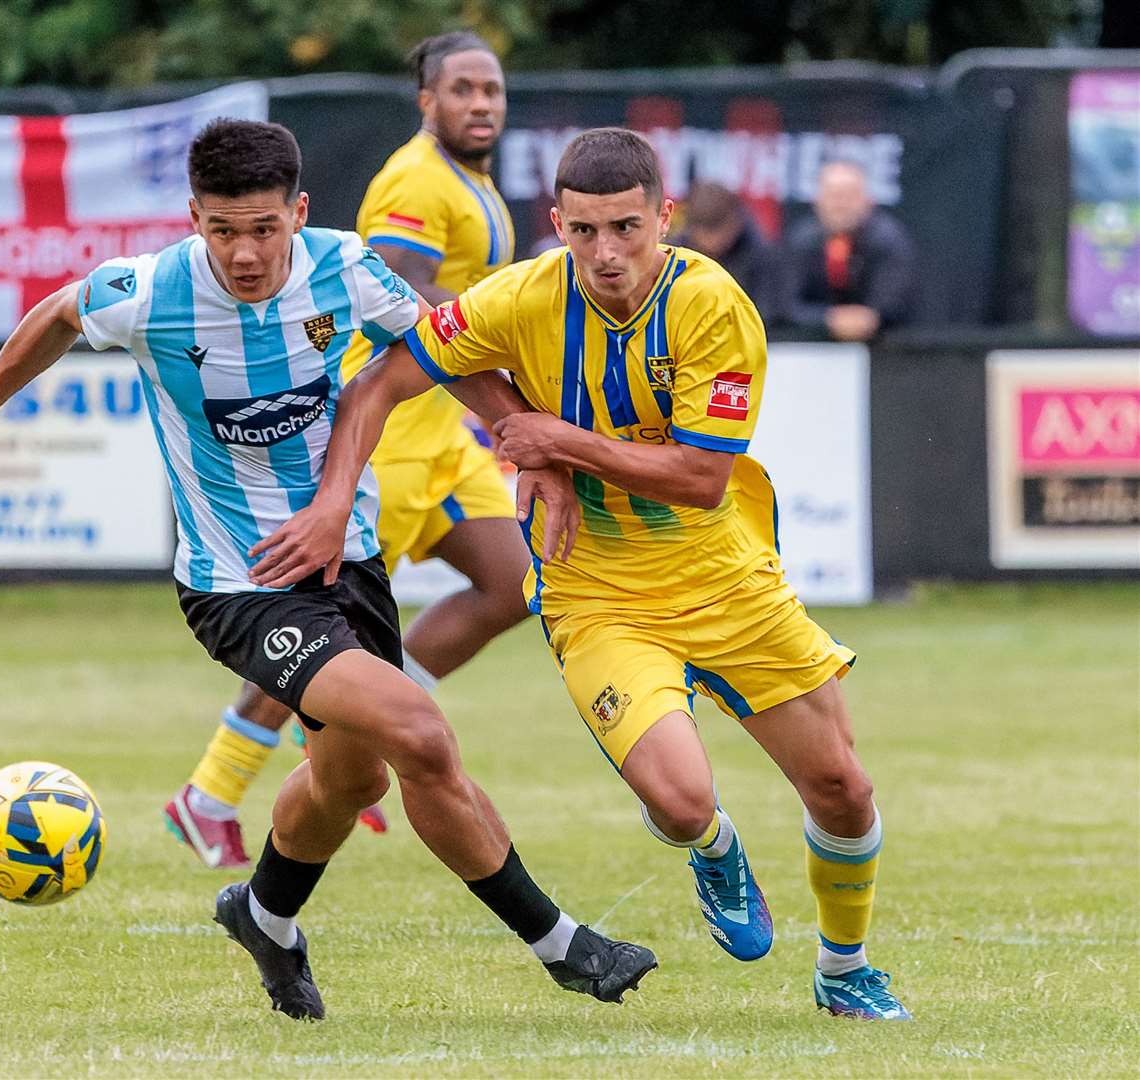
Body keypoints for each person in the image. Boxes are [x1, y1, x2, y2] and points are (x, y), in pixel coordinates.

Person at [0, 118, 656, 1020]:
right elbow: (58, 315)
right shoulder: (151, 290)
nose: (242, 253)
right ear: (194, 218)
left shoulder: (343, 267)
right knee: (420, 735)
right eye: (222, 230)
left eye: (264, 229)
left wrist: (529, 446)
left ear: (299, 213)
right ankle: (566, 947)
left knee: (351, 783)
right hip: (237, 585)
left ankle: (264, 917)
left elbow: (443, 347)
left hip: (348, 565)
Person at [250, 127, 912, 1022]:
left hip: (724, 574)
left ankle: (845, 968)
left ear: (664, 219)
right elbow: (380, 381)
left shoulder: (713, 306)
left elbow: (700, 475)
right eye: (586, 231)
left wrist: (553, 443)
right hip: (594, 589)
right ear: (556, 223)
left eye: (628, 229)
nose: (607, 253)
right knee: (681, 805)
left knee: (843, 787)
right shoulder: (518, 298)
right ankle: (713, 851)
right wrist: (332, 502)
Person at [164, 31, 530, 869]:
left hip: (447, 440)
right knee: (316, 618)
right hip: (389, 436)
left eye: (492, 90)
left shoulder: (471, 182)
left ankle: (367, 723)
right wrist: (509, 319)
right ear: (426, 102)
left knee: (515, 583)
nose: (481, 104)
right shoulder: (414, 178)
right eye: (463, 90)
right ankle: (209, 794)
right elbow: (406, 286)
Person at [781, 160, 915, 341]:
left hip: (884, 349)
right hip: (811, 349)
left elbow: (895, 305)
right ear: (817, 200)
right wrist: (828, 319)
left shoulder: (889, 240)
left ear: (868, 200)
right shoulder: (801, 241)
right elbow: (786, 304)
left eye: (849, 195)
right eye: (833, 195)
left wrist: (868, 319)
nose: (841, 204)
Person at [669, 181, 782, 326]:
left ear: (735, 222)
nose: (712, 242)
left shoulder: (762, 256)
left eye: (716, 231)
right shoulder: (674, 257)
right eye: (705, 232)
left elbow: (769, 314)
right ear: (692, 229)